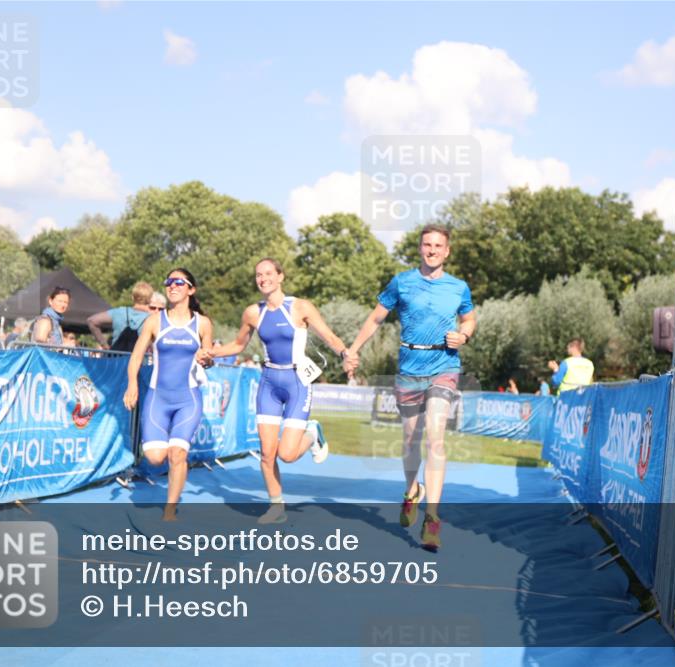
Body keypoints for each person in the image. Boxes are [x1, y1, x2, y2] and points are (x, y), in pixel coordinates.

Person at [344, 224, 476, 551]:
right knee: (410, 439)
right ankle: (411, 490)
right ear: (420, 249)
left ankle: (432, 519)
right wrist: (355, 349)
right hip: (409, 368)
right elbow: (376, 319)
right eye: (426, 244)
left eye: (438, 245)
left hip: (444, 366)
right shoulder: (402, 282)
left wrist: (464, 335)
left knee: (435, 436)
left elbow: (469, 319)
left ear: (447, 251)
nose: (432, 250)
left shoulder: (458, 287)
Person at [198, 258, 349, 524]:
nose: (263, 278)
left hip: (297, 382)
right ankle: (276, 507)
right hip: (268, 382)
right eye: (258, 275)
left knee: (287, 455)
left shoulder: (300, 307)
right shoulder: (252, 313)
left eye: (268, 273)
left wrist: (346, 353)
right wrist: (211, 352)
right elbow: (236, 345)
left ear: (280, 276)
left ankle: (312, 433)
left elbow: (329, 337)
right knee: (267, 454)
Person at [124, 268, 213, 521]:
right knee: (154, 457)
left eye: (178, 282)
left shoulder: (202, 323)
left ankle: (170, 509)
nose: (172, 286)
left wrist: (207, 360)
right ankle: (170, 489)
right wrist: (132, 383)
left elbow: (208, 357)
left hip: (188, 399)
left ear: (190, 289)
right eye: (168, 282)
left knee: (177, 454)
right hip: (157, 398)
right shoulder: (154, 320)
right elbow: (137, 355)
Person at [87, 281, 155, 351]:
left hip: (115, 359)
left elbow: (91, 321)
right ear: (150, 299)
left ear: (132, 297)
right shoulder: (152, 319)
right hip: (137, 360)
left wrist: (105, 346)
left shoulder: (119, 312)